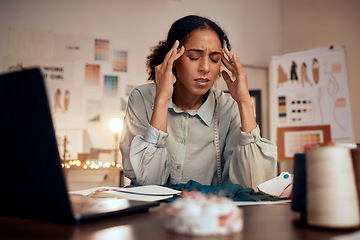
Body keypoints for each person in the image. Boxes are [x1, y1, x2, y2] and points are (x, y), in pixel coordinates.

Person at [120, 15, 277, 189]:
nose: (206, 68)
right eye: (194, 57)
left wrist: (245, 101)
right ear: (173, 58)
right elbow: (148, 183)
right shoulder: (142, 98)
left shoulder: (228, 107)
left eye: (215, 59)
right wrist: (162, 101)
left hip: (210, 213)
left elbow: (254, 183)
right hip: (153, 214)